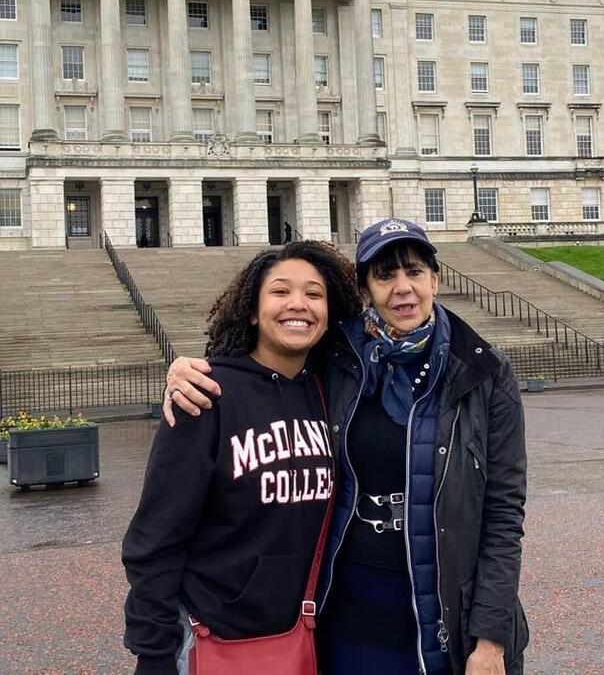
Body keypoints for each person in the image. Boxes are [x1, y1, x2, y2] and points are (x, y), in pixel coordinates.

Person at [164, 219, 528, 675]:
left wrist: (491, 639)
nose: (402, 289)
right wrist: (187, 370)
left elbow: (503, 511)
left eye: (414, 272)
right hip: (348, 602)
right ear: (363, 288)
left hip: (447, 607)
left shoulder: (484, 371)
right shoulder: (335, 356)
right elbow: (264, 360)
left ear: (435, 279)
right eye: (384, 275)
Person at [122, 241, 361, 675]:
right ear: (252, 310)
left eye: (314, 294)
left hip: (301, 635)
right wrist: (153, 653)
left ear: (329, 314)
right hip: (210, 636)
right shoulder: (206, 395)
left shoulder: (335, 392)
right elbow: (154, 540)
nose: (298, 305)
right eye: (280, 291)